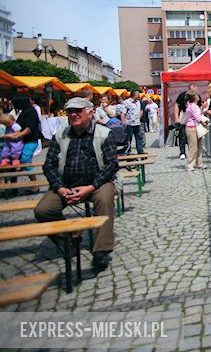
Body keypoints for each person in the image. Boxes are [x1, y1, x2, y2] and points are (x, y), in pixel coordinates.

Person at [35, 97, 119, 272]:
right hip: (66, 184)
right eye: (69, 111)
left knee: (104, 199)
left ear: (90, 112)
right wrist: (60, 188)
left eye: (77, 111)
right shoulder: (60, 135)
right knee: (43, 210)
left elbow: (111, 165)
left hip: (98, 183)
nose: (73, 114)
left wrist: (91, 187)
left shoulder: (103, 133)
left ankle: (101, 250)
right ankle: (69, 239)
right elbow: (48, 165)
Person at [6, 96, 42, 186]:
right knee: (16, 162)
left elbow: (29, 129)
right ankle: (14, 185)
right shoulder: (24, 111)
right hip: (22, 141)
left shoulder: (30, 112)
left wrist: (17, 136)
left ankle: (35, 184)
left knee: (25, 161)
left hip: (30, 140)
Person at [174, 83, 198, 160]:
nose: (193, 90)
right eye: (191, 88)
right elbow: (176, 105)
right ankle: (182, 152)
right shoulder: (182, 95)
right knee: (182, 134)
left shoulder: (197, 96)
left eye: (194, 88)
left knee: (193, 135)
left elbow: (199, 106)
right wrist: (176, 118)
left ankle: (192, 152)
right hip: (184, 115)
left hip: (194, 116)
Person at [184, 91, 206, 171]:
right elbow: (198, 118)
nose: (198, 96)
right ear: (194, 97)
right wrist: (205, 121)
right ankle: (190, 164)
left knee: (198, 146)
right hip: (192, 127)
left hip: (194, 127)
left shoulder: (191, 105)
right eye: (197, 95)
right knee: (193, 147)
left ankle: (199, 163)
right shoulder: (193, 106)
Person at [122, 90, 144, 154]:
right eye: (138, 94)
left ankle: (140, 150)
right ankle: (128, 151)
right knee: (129, 138)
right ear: (134, 95)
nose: (139, 96)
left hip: (137, 122)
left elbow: (140, 110)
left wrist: (140, 116)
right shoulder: (126, 102)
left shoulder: (138, 102)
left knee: (139, 137)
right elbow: (123, 113)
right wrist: (123, 122)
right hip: (129, 123)